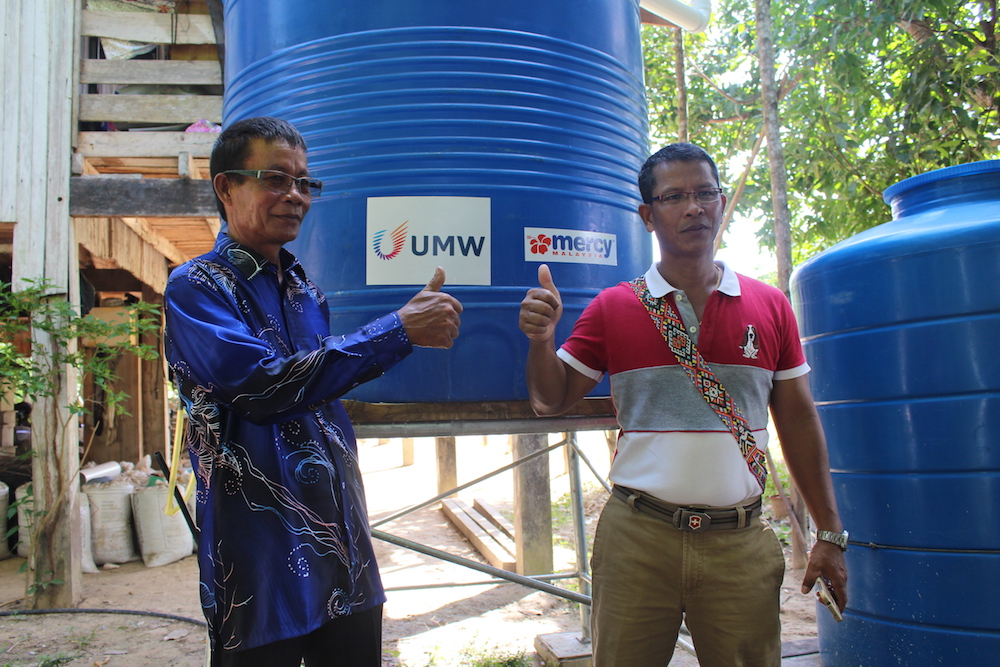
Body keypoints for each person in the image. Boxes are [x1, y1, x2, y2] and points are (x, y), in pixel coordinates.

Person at [518, 143, 847, 666]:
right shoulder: (613, 308)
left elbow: (800, 419)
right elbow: (550, 400)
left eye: (704, 193)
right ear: (648, 215)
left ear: (720, 204)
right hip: (638, 541)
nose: (693, 207)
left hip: (740, 543)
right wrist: (541, 340)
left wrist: (829, 532)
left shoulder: (770, 306)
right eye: (674, 197)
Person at [163, 116, 463, 666]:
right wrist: (396, 332)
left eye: (305, 182)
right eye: (276, 179)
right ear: (227, 187)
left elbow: (317, 388)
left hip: (343, 551)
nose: (295, 195)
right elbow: (260, 386)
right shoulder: (195, 287)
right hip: (259, 561)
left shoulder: (305, 291)